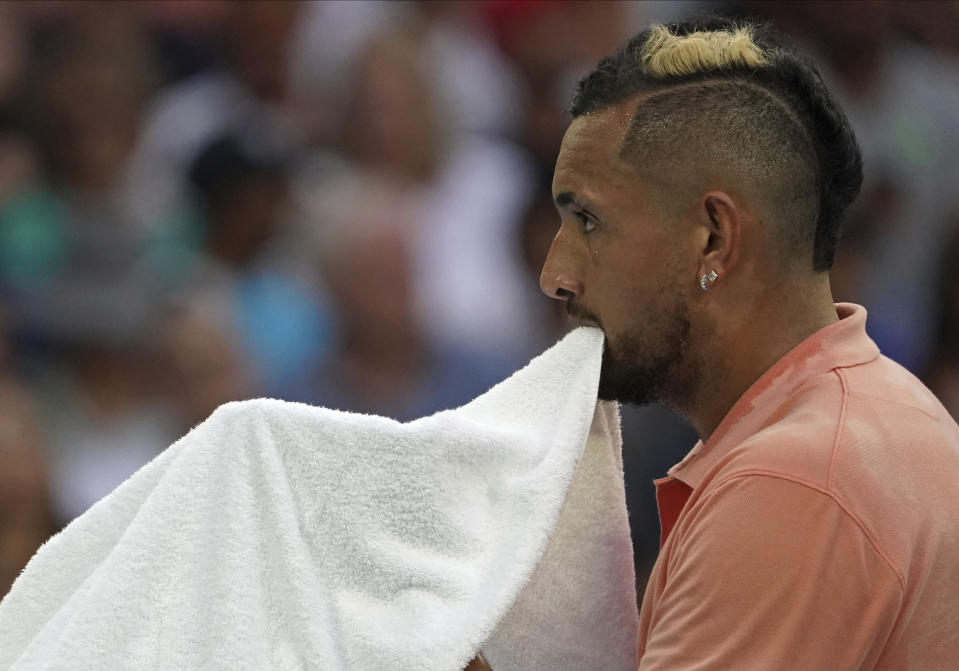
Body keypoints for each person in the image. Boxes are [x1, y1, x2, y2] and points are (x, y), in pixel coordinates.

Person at [539, 16, 959, 670]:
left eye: (589, 221)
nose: (554, 275)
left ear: (712, 238)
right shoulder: (870, 416)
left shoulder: (795, 482)